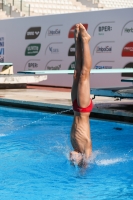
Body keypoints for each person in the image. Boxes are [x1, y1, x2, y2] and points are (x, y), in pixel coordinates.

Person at [70, 23, 93, 167]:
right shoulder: (87, 150)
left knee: (76, 73)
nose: (72, 156)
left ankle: (77, 40)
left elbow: (72, 156)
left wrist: (72, 160)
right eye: (74, 160)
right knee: (84, 75)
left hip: (75, 107)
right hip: (83, 108)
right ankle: (85, 40)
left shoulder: (73, 144)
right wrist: (82, 168)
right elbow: (86, 167)